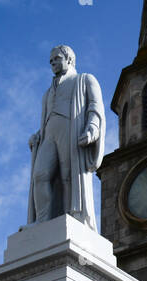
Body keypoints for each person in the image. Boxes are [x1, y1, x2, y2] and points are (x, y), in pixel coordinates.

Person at [27, 45, 105, 228]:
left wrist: (92, 127)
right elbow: (46, 119)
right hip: (49, 135)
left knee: (68, 175)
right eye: (50, 61)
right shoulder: (47, 93)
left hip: (71, 129)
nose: (53, 63)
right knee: (40, 175)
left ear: (69, 59)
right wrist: (37, 136)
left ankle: (74, 216)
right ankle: (42, 220)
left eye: (57, 58)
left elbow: (96, 106)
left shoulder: (85, 80)